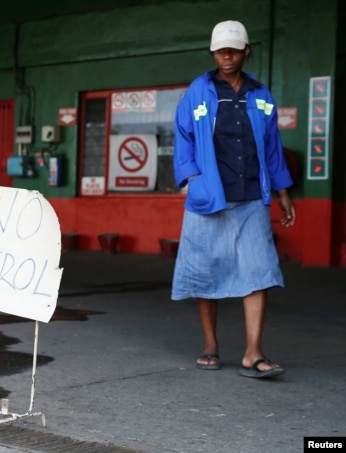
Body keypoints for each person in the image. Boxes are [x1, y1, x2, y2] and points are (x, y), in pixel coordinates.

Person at [171, 20, 296, 379]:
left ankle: (253, 352)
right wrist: (192, 179)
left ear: (246, 51)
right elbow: (183, 138)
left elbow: (271, 145)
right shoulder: (198, 91)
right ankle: (210, 344)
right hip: (209, 195)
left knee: (258, 271)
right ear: (213, 53)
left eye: (233, 49)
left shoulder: (261, 94)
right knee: (204, 268)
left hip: (251, 195)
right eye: (220, 50)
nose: (226, 55)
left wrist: (282, 190)